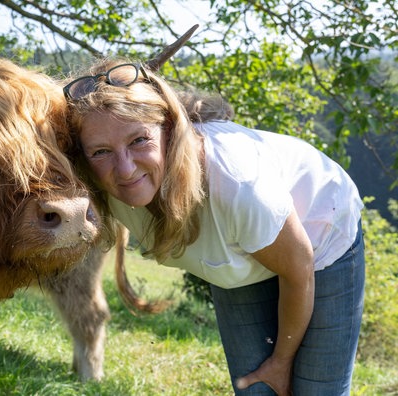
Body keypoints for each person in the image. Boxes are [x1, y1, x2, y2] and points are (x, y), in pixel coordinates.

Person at [63, 60, 365, 395]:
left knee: (316, 390)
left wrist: (281, 361)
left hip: (320, 236)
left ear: (168, 130)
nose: (125, 169)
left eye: (138, 140)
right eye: (101, 151)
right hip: (242, 255)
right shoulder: (100, 186)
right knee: (255, 390)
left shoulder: (238, 185)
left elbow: (298, 270)